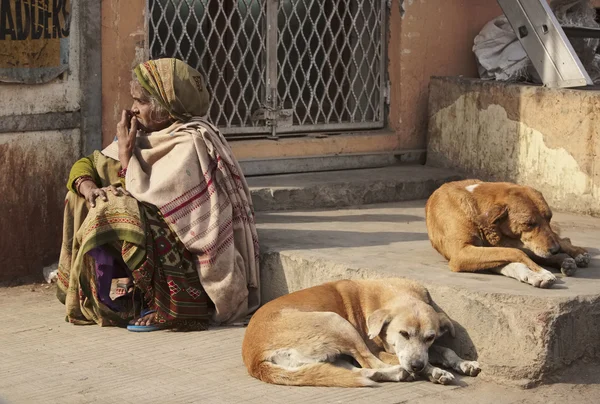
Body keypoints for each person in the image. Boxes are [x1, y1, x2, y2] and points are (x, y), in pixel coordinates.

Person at [57, 58, 260, 331]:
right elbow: (89, 163)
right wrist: (89, 187)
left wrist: (126, 159)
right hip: (154, 239)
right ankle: (116, 293)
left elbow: (155, 204)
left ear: (164, 110)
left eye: (140, 102)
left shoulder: (190, 142)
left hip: (187, 256)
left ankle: (168, 303)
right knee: (83, 197)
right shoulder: (143, 136)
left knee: (112, 209)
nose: (132, 109)